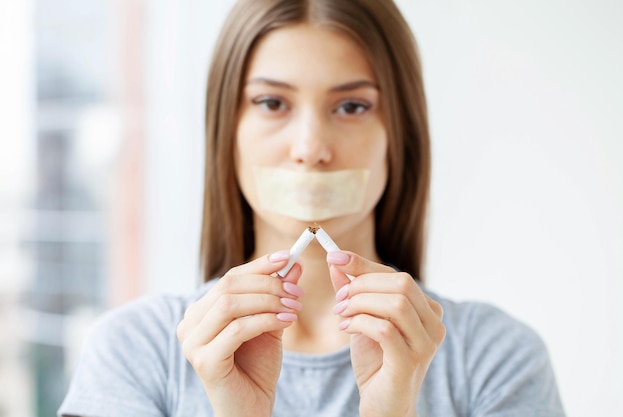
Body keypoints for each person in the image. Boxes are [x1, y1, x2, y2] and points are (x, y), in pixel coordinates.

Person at [58, 0, 566, 416]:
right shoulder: (134, 352)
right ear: (226, 132)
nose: (310, 146)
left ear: (399, 137)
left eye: (351, 107)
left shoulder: (496, 359)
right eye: (271, 103)